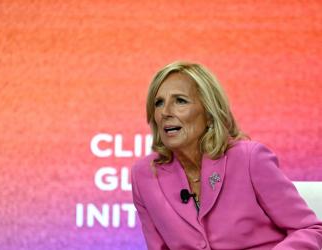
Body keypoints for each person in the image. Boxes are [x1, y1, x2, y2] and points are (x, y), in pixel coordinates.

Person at [131, 61, 322, 250]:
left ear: (209, 114)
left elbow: (310, 229)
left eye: (180, 100)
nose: (165, 112)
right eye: (158, 103)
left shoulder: (250, 159)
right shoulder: (145, 175)